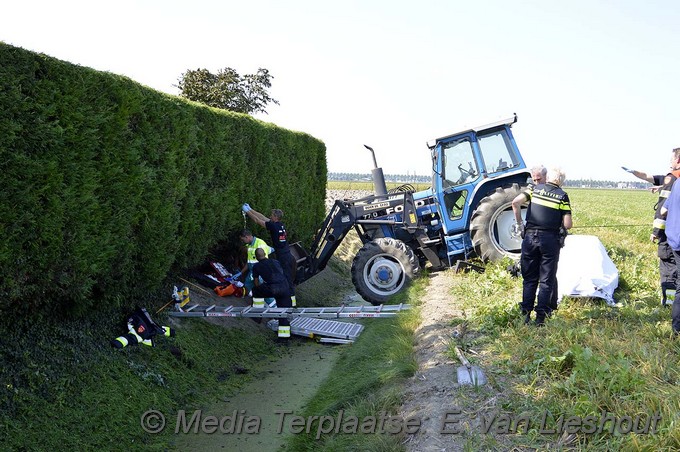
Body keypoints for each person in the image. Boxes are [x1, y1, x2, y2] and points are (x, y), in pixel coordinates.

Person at [512, 167, 573, 326]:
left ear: (547, 178)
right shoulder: (562, 196)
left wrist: (520, 225)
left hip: (530, 237)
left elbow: (515, 202)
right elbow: (568, 224)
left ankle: (525, 315)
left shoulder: (534, 189)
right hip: (550, 240)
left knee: (529, 279)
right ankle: (541, 318)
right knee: (546, 280)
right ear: (561, 181)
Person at [624, 149, 680, 306]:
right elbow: (648, 176)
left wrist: (656, 232)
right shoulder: (672, 179)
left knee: (669, 268)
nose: (670, 162)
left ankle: (669, 304)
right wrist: (633, 172)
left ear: (678, 160)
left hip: (671, 235)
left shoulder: (672, 179)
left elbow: (663, 210)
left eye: (672, 159)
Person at [242, 204, 297, 306]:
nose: (270, 216)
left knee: (285, 281)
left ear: (276, 217)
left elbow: (258, 221)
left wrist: (247, 211)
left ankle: (288, 306)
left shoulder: (273, 226)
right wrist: (251, 209)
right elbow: (262, 217)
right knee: (288, 279)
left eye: (272, 215)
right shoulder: (280, 225)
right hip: (288, 255)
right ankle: (291, 305)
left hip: (283, 257)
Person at [251, 248, 292, 340]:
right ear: (265, 254)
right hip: (285, 287)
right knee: (283, 313)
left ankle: (257, 315)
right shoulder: (275, 261)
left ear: (257, 257)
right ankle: (284, 339)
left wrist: (259, 289)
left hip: (273, 288)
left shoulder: (256, 266)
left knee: (255, 291)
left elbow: (256, 281)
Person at [239, 229, 274, 296]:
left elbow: (264, 262)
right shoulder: (249, 245)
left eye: (243, 240)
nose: (242, 241)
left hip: (260, 273)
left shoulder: (260, 244)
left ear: (247, 237)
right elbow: (249, 262)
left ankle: (270, 304)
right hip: (254, 273)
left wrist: (256, 275)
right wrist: (241, 272)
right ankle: (256, 299)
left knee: (261, 289)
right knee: (248, 286)